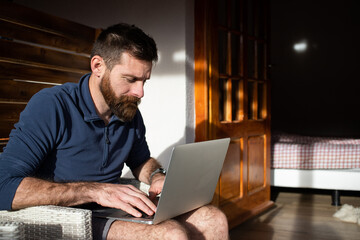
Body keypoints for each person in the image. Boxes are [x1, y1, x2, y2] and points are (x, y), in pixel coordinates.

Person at [0, 23, 229, 240]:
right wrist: (95, 191)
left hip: (112, 211)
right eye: (130, 79)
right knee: (170, 235)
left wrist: (156, 175)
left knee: (214, 219)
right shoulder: (52, 106)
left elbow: (140, 161)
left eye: (144, 81)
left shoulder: (127, 111)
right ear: (98, 66)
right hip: (71, 216)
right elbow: (3, 186)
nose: (140, 92)